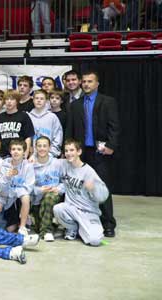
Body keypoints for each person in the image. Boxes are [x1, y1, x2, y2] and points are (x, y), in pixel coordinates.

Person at [65, 70, 120, 238]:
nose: (86, 84)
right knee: (78, 187)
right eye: (84, 81)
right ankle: (80, 221)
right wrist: (67, 151)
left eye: (90, 81)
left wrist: (111, 145)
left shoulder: (107, 102)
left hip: (100, 152)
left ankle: (108, 223)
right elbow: (70, 130)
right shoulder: (75, 105)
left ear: (97, 84)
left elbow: (115, 126)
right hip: (81, 154)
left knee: (101, 187)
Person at [53, 139, 109, 246]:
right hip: (71, 208)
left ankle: (84, 229)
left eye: (72, 150)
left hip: (88, 212)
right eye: (66, 151)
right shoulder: (64, 164)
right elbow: (48, 161)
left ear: (79, 152)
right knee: (58, 209)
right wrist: (33, 158)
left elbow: (104, 195)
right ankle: (73, 228)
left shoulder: (89, 172)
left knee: (95, 241)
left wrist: (93, 188)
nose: (69, 153)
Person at [0, 140, 35, 236]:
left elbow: (29, 186)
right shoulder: (4, 164)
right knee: (10, 229)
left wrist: (16, 192)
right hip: (8, 198)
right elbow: (1, 189)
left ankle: (22, 226)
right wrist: (7, 177)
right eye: (13, 149)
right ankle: (20, 221)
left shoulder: (28, 166)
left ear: (24, 152)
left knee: (26, 196)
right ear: (10, 151)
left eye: (19, 149)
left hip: (21, 197)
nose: (16, 151)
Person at [31, 136, 64, 241]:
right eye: (39, 146)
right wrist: (40, 190)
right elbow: (27, 187)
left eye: (45, 146)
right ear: (35, 147)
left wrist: (58, 189)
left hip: (54, 197)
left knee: (49, 197)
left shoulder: (57, 163)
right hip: (37, 200)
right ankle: (48, 226)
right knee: (37, 228)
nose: (42, 148)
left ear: (49, 148)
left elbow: (65, 182)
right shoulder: (31, 165)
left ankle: (47, 231)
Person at [0, 90, 34, 159]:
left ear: (17, 101)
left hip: (19, 155)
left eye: (12, 99)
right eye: (7, 99)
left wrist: (25, 154)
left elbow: (28, 137)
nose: (9, 101)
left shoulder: (24, 116)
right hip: (3, 155)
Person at [29, 89, 63, 158]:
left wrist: (51, 154)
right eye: (36, 98)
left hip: (50, 156)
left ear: (46, 101)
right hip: (31, 157)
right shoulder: (28, 117)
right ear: (33, 100)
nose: (39, 100)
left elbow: (58, 137)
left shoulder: (52, 117)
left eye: (42, 99)